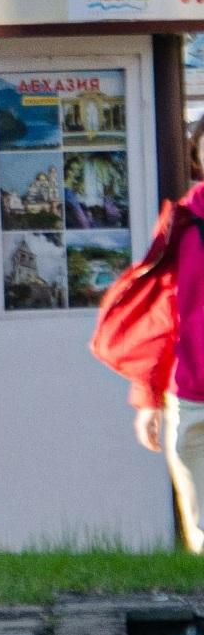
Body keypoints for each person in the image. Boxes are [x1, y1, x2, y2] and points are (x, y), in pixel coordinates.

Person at [129, 118, 204, 551]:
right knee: (199, 526)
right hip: (190, 395)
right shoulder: (180, 227)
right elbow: (156, 316)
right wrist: (146, 398)